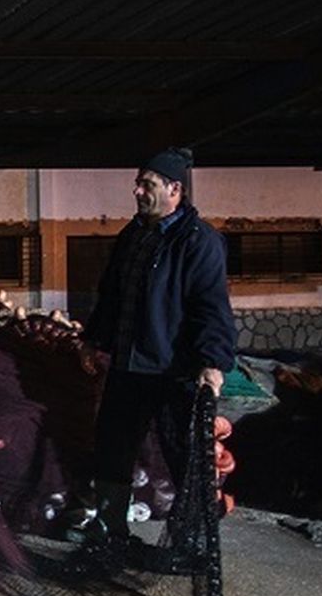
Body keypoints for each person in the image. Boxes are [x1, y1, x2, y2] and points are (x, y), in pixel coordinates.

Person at [80, 147, 236, 556]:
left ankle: (194, 536)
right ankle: (110, 526)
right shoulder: (133, 236)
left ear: (174, 189)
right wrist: (94, 339)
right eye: (138, 183)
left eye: (147, 184)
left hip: (173, 370)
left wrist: (212, 363)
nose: (137, 191)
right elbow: (111, 295)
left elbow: (211, 307)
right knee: (113, 445)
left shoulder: (199, 242)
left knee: (182, 453)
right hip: (129, 366)